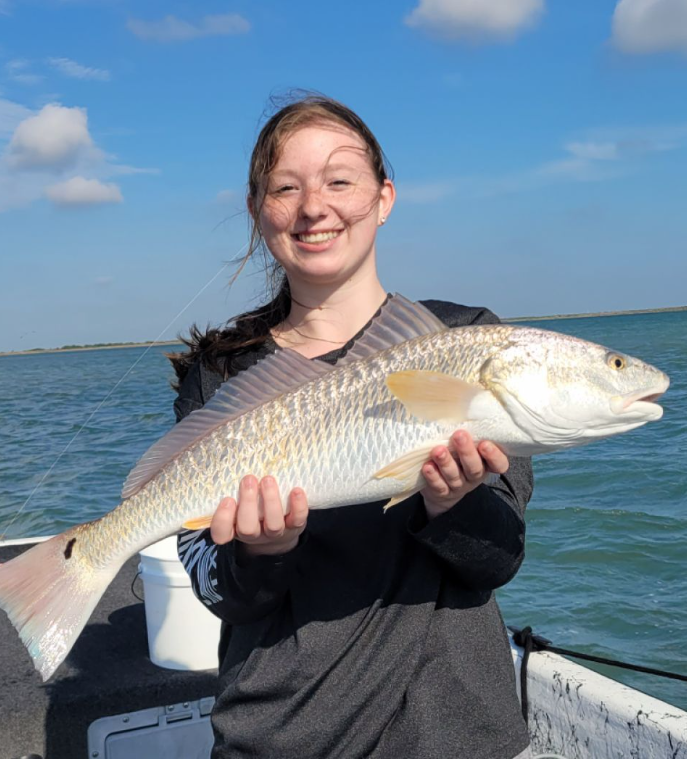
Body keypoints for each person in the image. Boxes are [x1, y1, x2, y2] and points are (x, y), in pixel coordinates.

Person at [170, 94, 534, 759]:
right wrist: (259, 552)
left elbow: (499, 556)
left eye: (339, 180)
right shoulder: (222, 374)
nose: (315, 207)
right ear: (257, 210)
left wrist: (452, 504)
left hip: (453, 734)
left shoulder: (465, 341)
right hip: (280, 736)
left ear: (383, 198)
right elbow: (214, 585)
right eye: (286, 187)